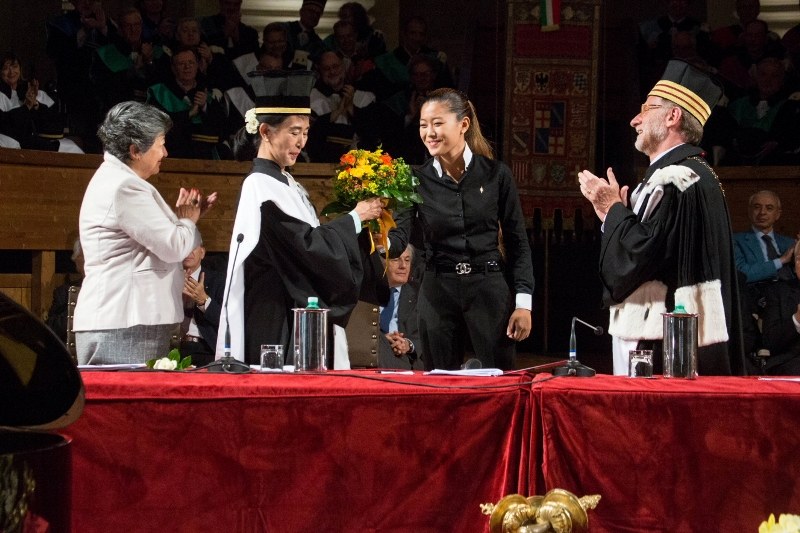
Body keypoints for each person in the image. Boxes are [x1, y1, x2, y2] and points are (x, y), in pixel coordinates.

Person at [578, 59, 744, 376]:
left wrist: (614, 211)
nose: (634, 120)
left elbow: (636, 261)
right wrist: (612, 216)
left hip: (664, 343)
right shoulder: (697, 174)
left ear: (672, 116)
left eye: (647, 109)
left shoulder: (675, 180)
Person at [217, 70, 384, 367]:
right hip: (276, 314)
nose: (301, 142)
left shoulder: (288, 184)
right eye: (294, 132)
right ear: (266, 131)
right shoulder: (261, 188)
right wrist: (354, 218)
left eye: (305, 132)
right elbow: (306, 246)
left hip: (295, 307)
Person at [386, 88, 534, 371]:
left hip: (488, 288)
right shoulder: (413, 179)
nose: (429, 133)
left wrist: (523, 303)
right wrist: (373, 227)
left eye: (437, 123)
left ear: (463, 124)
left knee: (500, 381)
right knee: (440, 384)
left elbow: (518, 243)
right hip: (437, 290)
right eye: (423, 125)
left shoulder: (496, 174)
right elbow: (398, 239)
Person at [73, 101, 217, 365]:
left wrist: (190, 221)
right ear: (135, 150)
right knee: (125, 405)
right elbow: (174, 247)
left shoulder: (117, 180)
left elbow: (159, 241)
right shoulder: (124, 186)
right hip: (126, 321)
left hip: (124, 320)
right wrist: (188, 222)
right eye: (160, 143)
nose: (165, 152)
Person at [0, 52, 82, 153]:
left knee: (71, 147)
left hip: (35, 139)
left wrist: (35, 104)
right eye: (5, 68)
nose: (11, 72)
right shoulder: (1, 94)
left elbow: (51, 120)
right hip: (13, 142)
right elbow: (5, 123)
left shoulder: (25, 91)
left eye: (15, 67)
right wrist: (27, 106)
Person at [734, 190, 796, 283]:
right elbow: (742, 274)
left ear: (778, 214)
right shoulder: (736, 241)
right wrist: (781, 260)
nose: (762, 212)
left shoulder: (790, 243)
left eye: (769, 208)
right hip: (758, 294)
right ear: (749, 211)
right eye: (757, 207)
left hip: (791, 293)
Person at [379, 244, 423, 370]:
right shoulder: (365, 294)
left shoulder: (419, 294)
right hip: (374, 355)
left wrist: (408, 344)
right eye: (396, 259)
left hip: (407, 360)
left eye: (407, 260)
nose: (403, 266)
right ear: (381, 262)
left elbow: (425, 335)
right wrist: (381, 340)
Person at [180, 243, 225, 366]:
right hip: (172, 348)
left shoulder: (218, 280)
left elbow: (227, 321)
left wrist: (203, 300)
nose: (188, 252)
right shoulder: (165, 280)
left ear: (202, 252)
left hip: (205, 349)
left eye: (193, 246)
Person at [46, 239, 85, 343]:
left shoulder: (115, 290)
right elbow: (51, 329)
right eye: (84, 255)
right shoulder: (64, 292)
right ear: (77, 260)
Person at [283, 0, 327, 70]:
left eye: (318, 14)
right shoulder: (283, 29)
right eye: (311, 11)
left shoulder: (319, 45)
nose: (314, 15)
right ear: (301, 12)